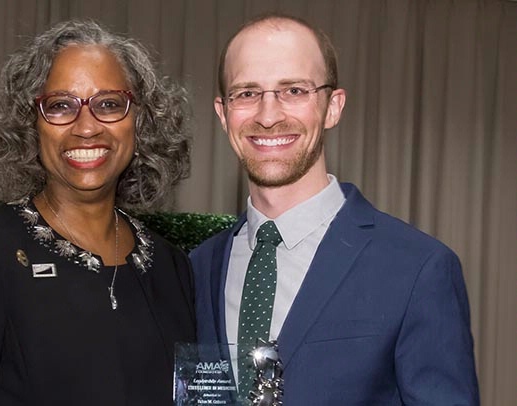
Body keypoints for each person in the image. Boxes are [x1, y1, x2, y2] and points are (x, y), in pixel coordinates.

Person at [190, 13, 480, 405]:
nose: (269, 115)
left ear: (332, 107)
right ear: (224, 114)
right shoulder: (196, 270)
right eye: (247, 93)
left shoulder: (418, 269)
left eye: (294, 91)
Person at [0, 19, 195, 405]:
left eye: (109, 104)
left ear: (141, 121)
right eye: (61, 106)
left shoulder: (171, 268)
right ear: (32, 126)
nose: (86, 127)